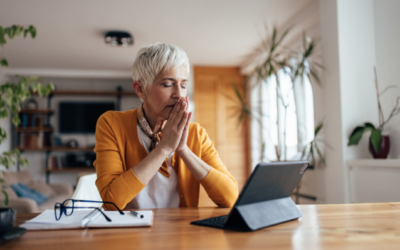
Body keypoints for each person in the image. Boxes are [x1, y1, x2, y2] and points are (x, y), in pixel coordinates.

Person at [94, 43, 238, 210]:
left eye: (183, 85)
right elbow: (111, 202)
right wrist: (163, 148)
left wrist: (183, 150)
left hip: (180, 233)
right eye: (168, 85)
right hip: (131, 233)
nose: (179, 94)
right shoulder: (111, 124)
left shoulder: (196, 134)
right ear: (141, 89)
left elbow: (230, 198)